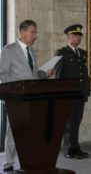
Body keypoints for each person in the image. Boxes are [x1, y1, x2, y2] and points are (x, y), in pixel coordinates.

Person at [0, 20, 51, 172]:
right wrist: (19, 85)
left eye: (35, 32)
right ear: (22, 32)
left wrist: (43, 74)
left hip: (31, 98)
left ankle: (28, 160)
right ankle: (8, 163)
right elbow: (3, 74)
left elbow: (32, 74)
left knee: (31, 130)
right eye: (32, 32)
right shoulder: (9, 50)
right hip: (15, 98)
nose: (35, 36)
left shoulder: (31, 51)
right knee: (14, 130)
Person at [56, 24, 90, 159]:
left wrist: (85, 92)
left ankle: (75, 147)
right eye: (76, 36)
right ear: (69, 37)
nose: (78, 38)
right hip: (67, 94)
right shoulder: (62, 53)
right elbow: (58, 75)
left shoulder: (82, 53)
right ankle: (68, 149)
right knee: (68, 122)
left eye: (79, 36)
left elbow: (84, 74)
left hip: (79, 93)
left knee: (76, 121)